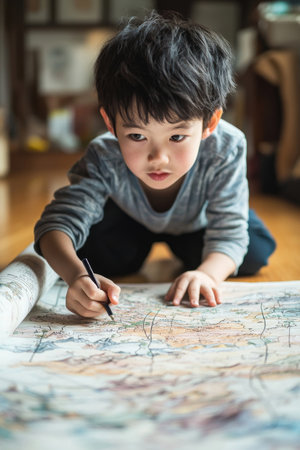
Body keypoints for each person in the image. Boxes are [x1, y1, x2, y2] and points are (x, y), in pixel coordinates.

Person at [34, 11, 276, 318]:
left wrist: (207, 274)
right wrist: (76, 276)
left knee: (253, 250)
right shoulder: (103, 155)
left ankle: (193, 259)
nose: (158, 158)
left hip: (200, 224)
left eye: (177, 136)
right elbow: (56, 225)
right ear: (110, 122)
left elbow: (229, 233)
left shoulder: (226, 147)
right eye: (136, 135)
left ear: (209, 123)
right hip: (127, 222)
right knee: (93, 255)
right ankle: (136, 252)